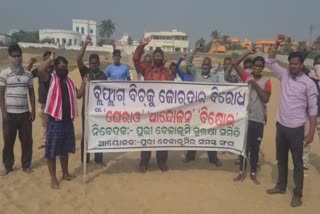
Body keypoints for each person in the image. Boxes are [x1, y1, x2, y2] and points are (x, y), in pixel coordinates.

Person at [265, 34, 318, 207]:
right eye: (291, 64)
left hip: (296, 130)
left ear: (302, 65)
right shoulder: (284, 75)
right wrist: (276, 44)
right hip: (281, 126)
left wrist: (310, 133)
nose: (294, 66)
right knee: (281, 159)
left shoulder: (308, 84)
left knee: (297, 163)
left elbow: (313, 109)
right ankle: (281, 186)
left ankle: (298, 194)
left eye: (296, 64)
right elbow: (270, 62)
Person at [183, 44, 240, 167]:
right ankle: (190, 155)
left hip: (210, 112)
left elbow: (223, 85)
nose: (205, 66)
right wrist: (196, 50)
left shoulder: (215, 77)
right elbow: (188, 62)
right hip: (196, 110)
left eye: (207, 65)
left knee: (211, 134)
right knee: (194, 132)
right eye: (204, 64)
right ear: (201, 65)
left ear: (210, 67)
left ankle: (213, 158)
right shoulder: (196, 73)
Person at [38, 52, 87, 189]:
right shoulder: (50, 78)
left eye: (65, 67)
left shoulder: (69, 81)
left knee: (65, 150)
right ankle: (53, 178)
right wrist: (50, 59)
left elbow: (78, 95)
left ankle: (65, 173)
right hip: (55, 120)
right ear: (55, 67)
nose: (63, 69)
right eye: (60, 66)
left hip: (67, 121)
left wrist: (83, 83)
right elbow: (40, 70)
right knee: (52, 151)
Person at [133, 37, 174, 172]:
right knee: (147, 137)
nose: (157, 58)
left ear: (163, 58)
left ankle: (161, 162)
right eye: (155, 55)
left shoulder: (168, 72)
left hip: (163, 111)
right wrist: (142, 45)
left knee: (163, 137)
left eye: (159, 56)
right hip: (149, 110)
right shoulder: (146, 70)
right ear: (153, 58)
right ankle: (144, 163)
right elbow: (135, 59)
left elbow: (176, 91)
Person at [231, 48, 272, 184]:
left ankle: (253, 172)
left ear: (263, 67)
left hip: (258, 120)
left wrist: (254, 84)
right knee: (244, 147)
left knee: (255, 148)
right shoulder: (246, 77)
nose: (257, 68)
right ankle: (241, 172)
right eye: (256, 65)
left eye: (260, 66)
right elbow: (235, 63)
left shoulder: (267, 81)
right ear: (252, 66)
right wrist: (248, 52)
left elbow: (265, 98)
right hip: (245, 119)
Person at [0, 43, 36, 176]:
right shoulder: (4, 74)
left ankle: (26, 165)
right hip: (9, 114)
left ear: (21, 56)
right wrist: (3, 112)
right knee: (8, 141)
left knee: (27, 141)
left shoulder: (28, 74)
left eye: (18, 56)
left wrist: (33, 111)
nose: (16, 58)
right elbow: (1, 94)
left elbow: (32, 93)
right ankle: (8, 166)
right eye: (14, 56)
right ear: (9, 57)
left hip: (25, 114)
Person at [77, 36, 108, 164]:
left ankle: (98, 158)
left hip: (99, 109)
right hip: (87, 108)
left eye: (95, 63)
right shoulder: (85, 71)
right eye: (91, 63)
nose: (93, 65)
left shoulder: (103, 75)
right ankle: (85, 158)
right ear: (89, 63)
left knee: (98, 133)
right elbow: (78, 59)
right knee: (86, 134)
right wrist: (85, 44)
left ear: (99, 63)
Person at [27, 51, 54, 149]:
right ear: (43, 59)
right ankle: (45, 142)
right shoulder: (39, 70)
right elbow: (27, 74)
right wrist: (30, 63)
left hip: (53, 102)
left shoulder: (55, 70)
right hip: (43, 102)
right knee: (44, 123)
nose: (48, 60)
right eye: (46, 58)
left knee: (53, 123)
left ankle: (52, 141)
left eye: (49, 58)